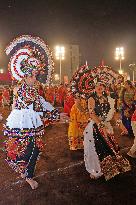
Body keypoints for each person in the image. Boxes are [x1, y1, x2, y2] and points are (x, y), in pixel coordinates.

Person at [4, 70, 46, 189]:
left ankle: (26, 172)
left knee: (31, 147)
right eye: (32, 76)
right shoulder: (20, 89)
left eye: (35, 76)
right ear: (25, 77)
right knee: (28, 148)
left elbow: (37, 108)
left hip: (29, 123)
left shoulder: (31, 89)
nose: (35, 79)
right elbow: (14, 105)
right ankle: (28, 175)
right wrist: (12, 122)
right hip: (22, 123)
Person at [84, 82, 131, 181]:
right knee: (98, 149)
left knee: (111, 148)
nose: (99, 87)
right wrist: (101, 126)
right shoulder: (92, 98)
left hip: (107, 127)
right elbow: (92, 114)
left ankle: (110, 169)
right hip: (96, 127)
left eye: (101, 86)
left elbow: (112, 115)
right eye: (97, 86)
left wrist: (121, 125)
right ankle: (97, 171)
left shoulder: (108, 99)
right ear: (94, 88)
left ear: (105, 88)